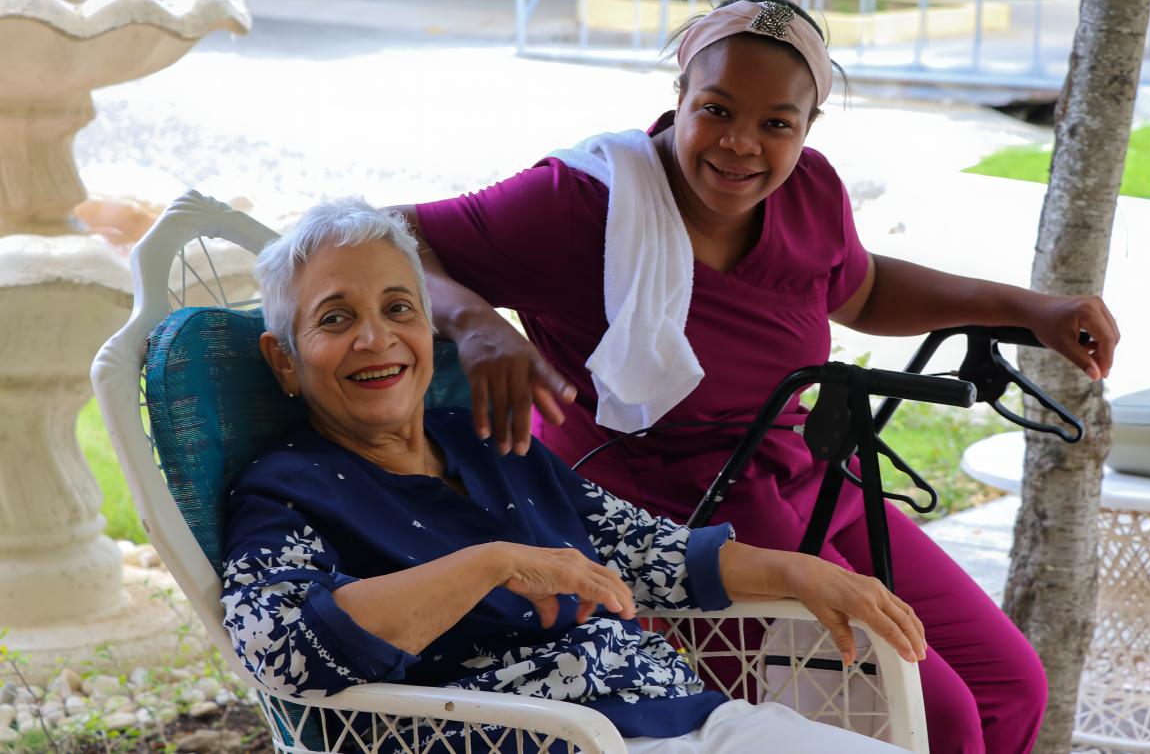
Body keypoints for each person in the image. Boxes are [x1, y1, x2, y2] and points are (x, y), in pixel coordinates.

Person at [393, 0, 1122, 754]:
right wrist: (475, 324)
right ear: (679, 96)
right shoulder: (581, 202)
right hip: (669, 522)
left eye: (777, 123)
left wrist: (1027, 306)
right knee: (934, 714)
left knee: (1009, 686)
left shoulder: (809, 190)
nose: (742, 144)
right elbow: (384, 234)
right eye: (717, 109)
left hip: (800, 478)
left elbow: (860, 287)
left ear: (807, 129)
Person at [220, 198, 927, 754]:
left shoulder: (483, 440)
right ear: (284, 359)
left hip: (682, 717)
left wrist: (805, 573)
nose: (375, 338)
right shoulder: (285, 492)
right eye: (335, 318)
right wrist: (491, 565)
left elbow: (647, 551)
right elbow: (280, 651)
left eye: (398, 308)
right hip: (538, 737)